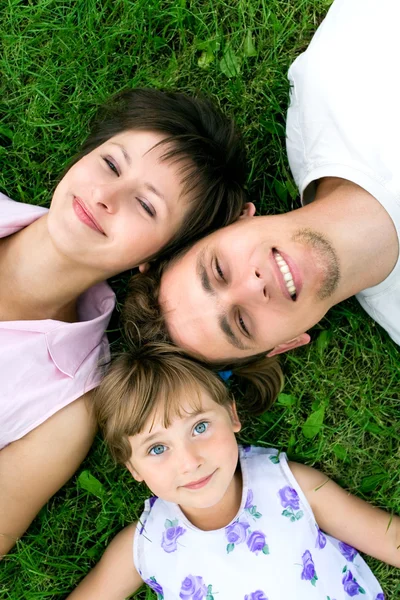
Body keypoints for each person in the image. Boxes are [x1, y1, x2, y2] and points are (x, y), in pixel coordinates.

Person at [0, 87, 250, 556]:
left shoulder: (62, 410)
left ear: (155, 259)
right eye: (111, 164)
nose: (104, 195)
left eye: (147, 205)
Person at [122, 0, 400, 364]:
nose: (254, 286)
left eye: (219, 270)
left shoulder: (342, 77)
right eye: (241, 323)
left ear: (235, 219)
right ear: (284, 345)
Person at [67, 343, 397, 599]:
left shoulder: (288, 487)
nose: (189, 462)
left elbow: (387, 538)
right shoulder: (144, 546)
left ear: (231, 415)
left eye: (199, 428)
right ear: (132, 468)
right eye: (157, 448)